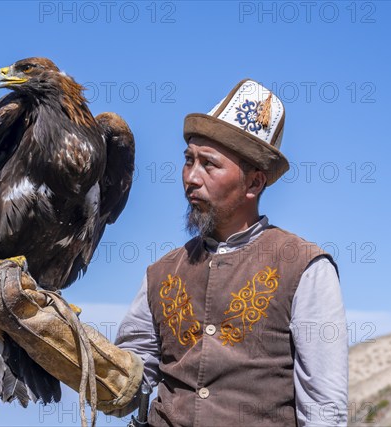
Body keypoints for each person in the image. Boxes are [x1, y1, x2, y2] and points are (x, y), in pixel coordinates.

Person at [113, 79, 348, 426]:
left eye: (209, 164)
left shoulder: (305, 267)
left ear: (254, 183)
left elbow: (324, 409)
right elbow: (126, 382)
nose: (191, 177)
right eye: (188, 160)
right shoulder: (160, 273)